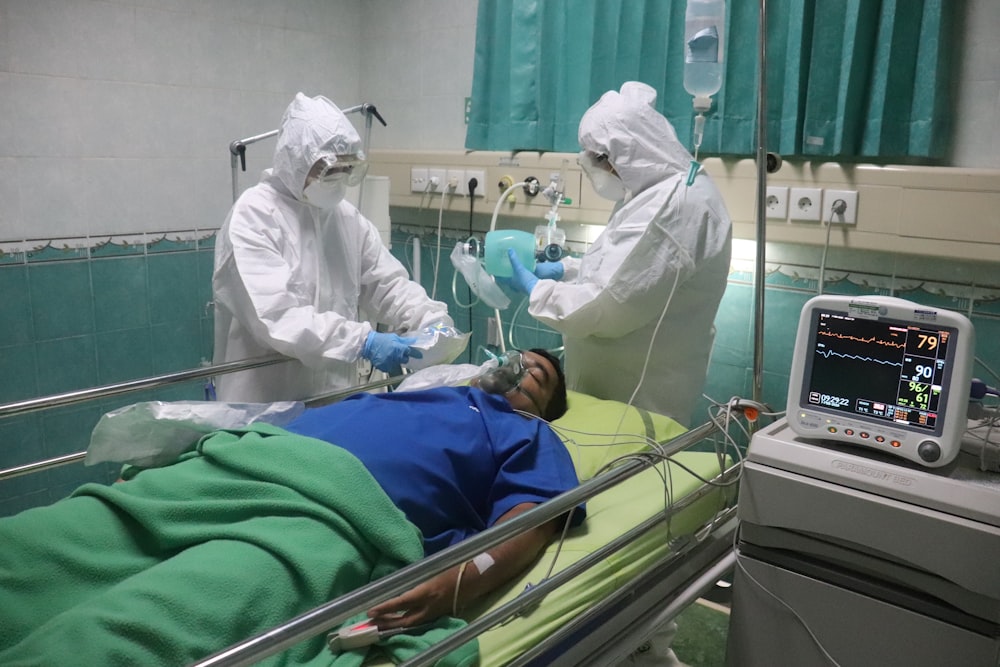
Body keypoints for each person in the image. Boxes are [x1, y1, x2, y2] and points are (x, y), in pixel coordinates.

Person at [0, 349, 581, 665]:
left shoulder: (528, 435)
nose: (525, 368)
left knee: (139, 626)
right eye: (522, 358)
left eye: (540, 377)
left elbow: (532, 521)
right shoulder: (423, 390)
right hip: (236, 466)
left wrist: (455, 580)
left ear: (546, 407)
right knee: (38, 547)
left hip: (329, 515)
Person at [502, 81, 732, 428]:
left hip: (639, 407)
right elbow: (624, 273)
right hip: (611, 401)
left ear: (623, 154)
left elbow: (606, 307)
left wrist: (538, 290)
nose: (597, 169)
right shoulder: (652, 192)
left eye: (598, 160)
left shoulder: (673, 207)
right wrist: (566, 271)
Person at [213, 92, 461, 403]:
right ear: (296, 161)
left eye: (346, 169)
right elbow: (279, 317)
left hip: (337, 397)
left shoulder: (346, 219)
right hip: (268, 403)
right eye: (329, 169)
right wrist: (363, 342)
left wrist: (428, 320)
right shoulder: (254, 216)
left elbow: (388, 284)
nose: (338, 178)